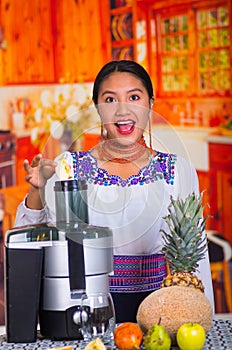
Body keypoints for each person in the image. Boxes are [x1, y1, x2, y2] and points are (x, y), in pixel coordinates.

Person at [15, 60, 214, 322]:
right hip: (84, 310)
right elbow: (30, 242)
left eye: (134, 96)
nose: (123, 110)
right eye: (110, 99)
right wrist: (37, 190)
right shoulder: (67, 167)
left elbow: (197, 257)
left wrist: (201, 317)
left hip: (163, 312)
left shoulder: (178, 171)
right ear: (98, 108)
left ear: (150, 103)